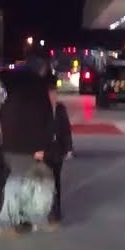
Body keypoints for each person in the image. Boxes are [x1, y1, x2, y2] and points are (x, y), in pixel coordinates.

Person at [0, 63, 57, 236]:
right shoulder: (37, 93)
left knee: (31, 180)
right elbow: (43, 120)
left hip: (11, 146)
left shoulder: (12, 93)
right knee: (21, 181)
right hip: (26, 147)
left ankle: (32, 219)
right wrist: (41, 146)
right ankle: (7, 223)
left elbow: (3, 119)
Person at [44, 75, 74, 224]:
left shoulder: (61, 109)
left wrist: (68, 148)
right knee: (45, 181)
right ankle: (45, 209)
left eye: (55, 93)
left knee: (56, 181)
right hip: (44, 151)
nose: (54, 96)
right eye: (51, 93)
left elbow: (66, 129)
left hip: (57, 151)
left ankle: (56, 211)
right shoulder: (40, 110)